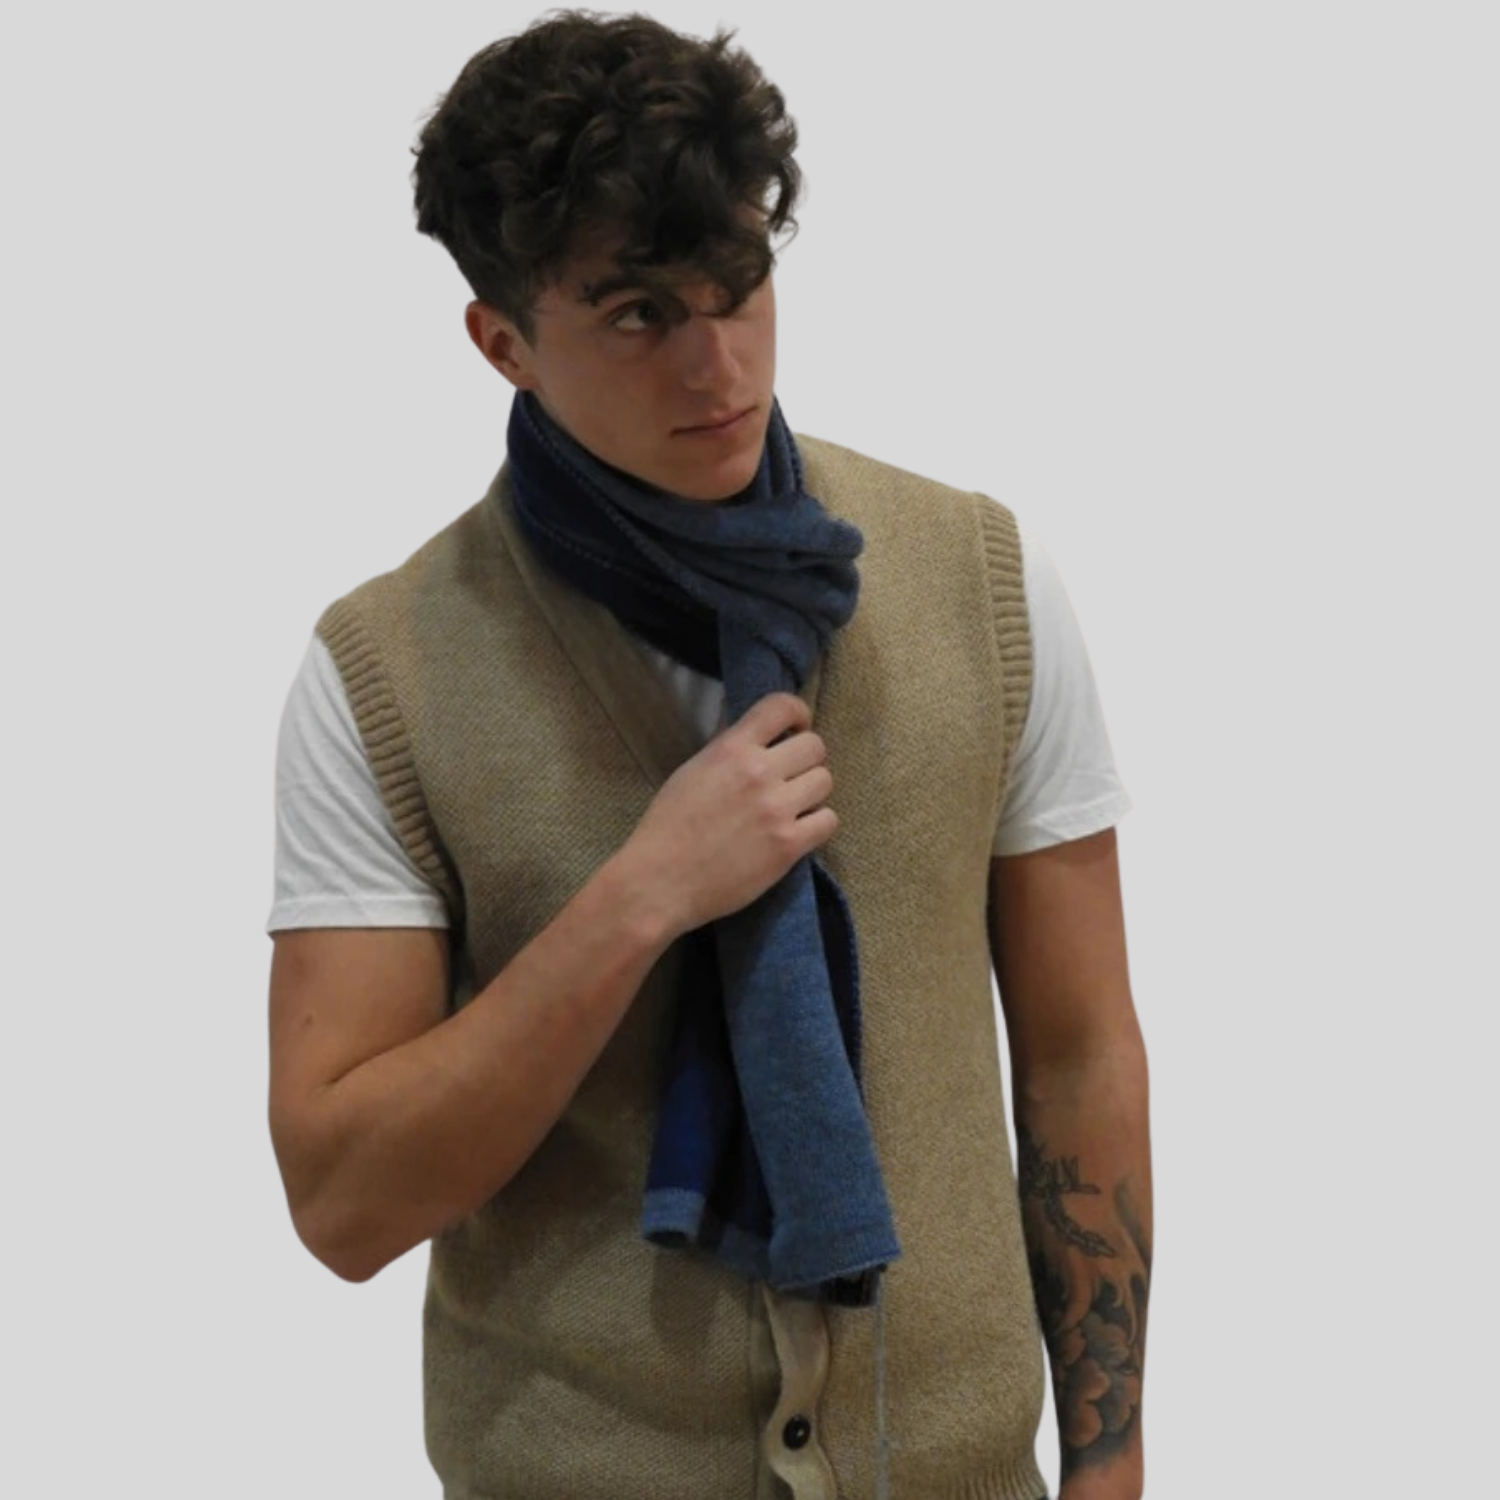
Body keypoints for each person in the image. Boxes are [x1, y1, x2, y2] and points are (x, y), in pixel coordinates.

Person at [265, 12, 1152, 1500]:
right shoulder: (386, 674)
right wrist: (640, 898)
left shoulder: (979, 585)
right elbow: (345, 1202)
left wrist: (1110, 1472)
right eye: (638, 314)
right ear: (501, 342)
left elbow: (1078, 1056)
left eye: (739, 286)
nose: (717, 364)